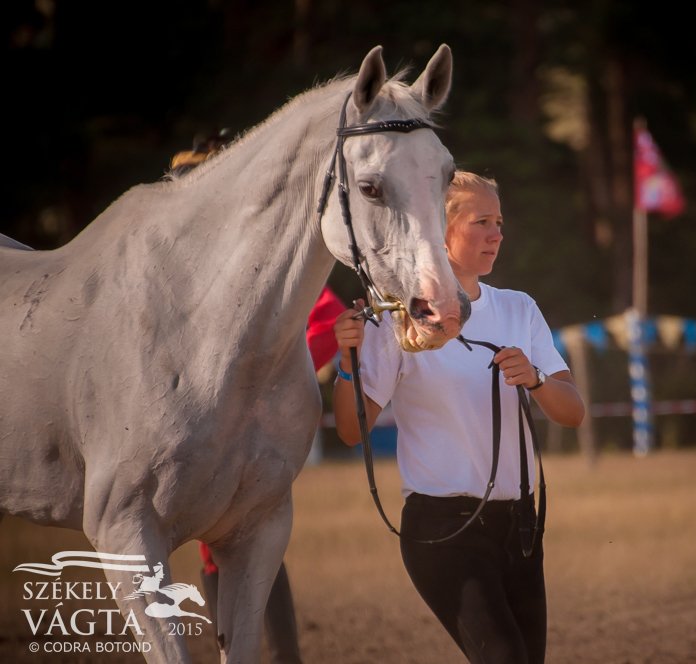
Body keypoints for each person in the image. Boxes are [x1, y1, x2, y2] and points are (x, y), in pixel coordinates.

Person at [332, 171, 585, 664]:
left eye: (500, 222)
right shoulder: (398, 318)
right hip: (441, 527)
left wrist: (535, 379)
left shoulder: (519, 309)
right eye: (482, 222)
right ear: (438, 230)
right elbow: (350, 430)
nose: (497, 235)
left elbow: (572, 413)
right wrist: (347, 362)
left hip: (521, 524)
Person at [171, 130, 348, 664]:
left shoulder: (267, 265)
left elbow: (329, 320)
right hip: (186, 425)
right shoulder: (168, 267)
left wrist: (278, 374)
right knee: (216, 547)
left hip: (250, 428)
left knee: (246, 542)